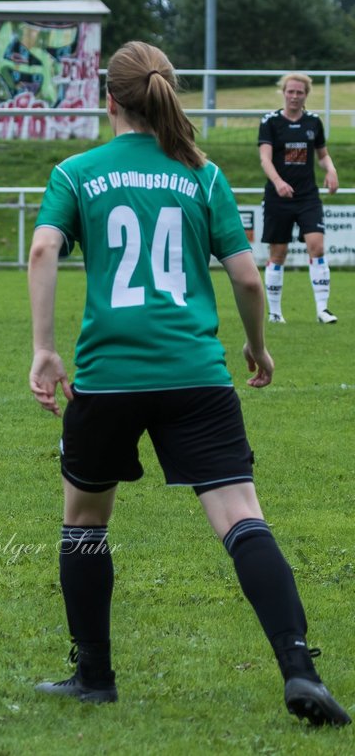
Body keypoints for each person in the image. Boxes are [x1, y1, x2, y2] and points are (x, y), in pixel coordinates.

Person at [27, 42, 348, 726]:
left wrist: (45, 349)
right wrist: (257, 348)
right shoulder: (202, 176)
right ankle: (300, 668)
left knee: (84, 521)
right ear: (166, 94)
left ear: (108, 101)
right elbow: (246, 275)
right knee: (241, 517)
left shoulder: (76, 172)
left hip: (109, 377)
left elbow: (43, 249)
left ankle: (94, 678)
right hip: (197, 375)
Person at [258, 73, 340, 324]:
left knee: (317, 247)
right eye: (290, 92)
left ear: (306, 95)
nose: (294, 96)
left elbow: (322, 155)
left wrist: (331, 169)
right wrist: (279, 182)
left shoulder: (313, 122)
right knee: (278, 253)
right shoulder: (270, 122)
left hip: (307, 197)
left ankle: (322, 310)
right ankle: (274, 313)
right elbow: (265, 158)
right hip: (278, 197)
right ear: (284, 92)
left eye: (299, 92)